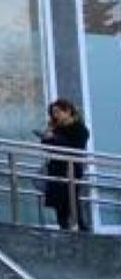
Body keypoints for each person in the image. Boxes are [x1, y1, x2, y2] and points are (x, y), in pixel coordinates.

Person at [41, 98, 91, 231]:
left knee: (72, 200)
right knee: (59, 204)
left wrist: (54, 139)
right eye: (53, 113)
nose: (55, 115)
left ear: (68, 111)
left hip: (71, 170)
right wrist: (47, 136)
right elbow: (47, 146)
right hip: (56, 169)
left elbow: (76, 147)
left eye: (57, 112)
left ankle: (81, 228)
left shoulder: (79, 128)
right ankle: (64, 227)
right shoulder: (55, 128)